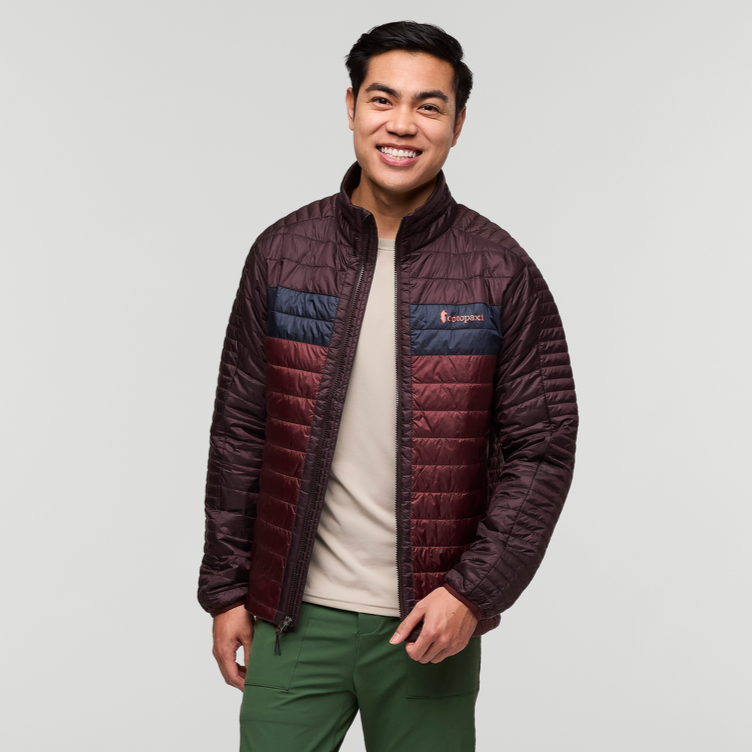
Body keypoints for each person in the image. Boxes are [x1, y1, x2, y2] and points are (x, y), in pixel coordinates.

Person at [198, 20, 578, 752]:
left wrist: (471, 593)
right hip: (292, 618)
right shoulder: (282, 254)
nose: (402, 124)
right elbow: (240, 431)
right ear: (351, 107)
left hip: (427, 623)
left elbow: (543, 448)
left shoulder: (499, 270)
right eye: (383, 99)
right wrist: (225, 588)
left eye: (429, 106)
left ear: (457, 125)